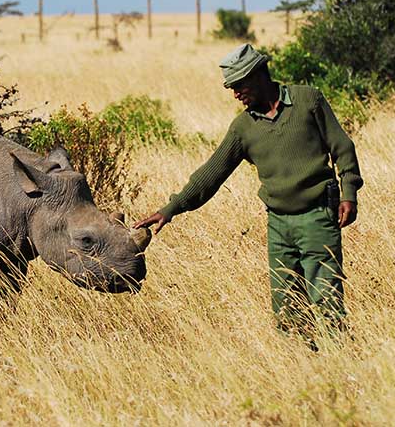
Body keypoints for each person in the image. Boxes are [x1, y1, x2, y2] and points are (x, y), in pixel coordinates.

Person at [134, 43, 362, 342]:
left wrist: (348, 193)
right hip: (279, 225)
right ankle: (302, 368)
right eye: (231, 87)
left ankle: (340, 363)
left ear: (258, 75)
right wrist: (171, 208)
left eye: (239, 85)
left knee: (326, 299)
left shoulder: (307, 100)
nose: (235, 94)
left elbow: (342, 147)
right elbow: (211, 175)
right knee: (287, 308)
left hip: (317, 217)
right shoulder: (243, 128)